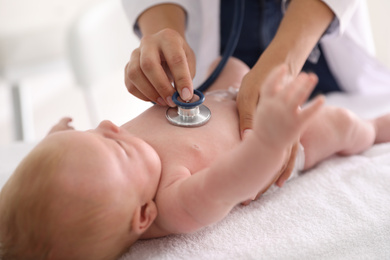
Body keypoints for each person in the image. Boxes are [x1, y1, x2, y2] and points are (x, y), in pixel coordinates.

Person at [1, 58, 390, 260]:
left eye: (93, 133)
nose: (110, 125)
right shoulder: (176, 203)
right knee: (337, 123)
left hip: (222, 95)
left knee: (227, 60)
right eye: (115, 145)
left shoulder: (106, 174)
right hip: (275, 143)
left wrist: (60, 139)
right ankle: (374, 128)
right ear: (142, 216)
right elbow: (231, 181)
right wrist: (270, 141)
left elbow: (73, 167)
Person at [122, 0, 387, 139]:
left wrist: (286, 59)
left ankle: (372, 128)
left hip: (315, 39)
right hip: (222, 40)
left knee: (336, 126)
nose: (109, 131)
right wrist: (163, 33)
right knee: (319, 133)